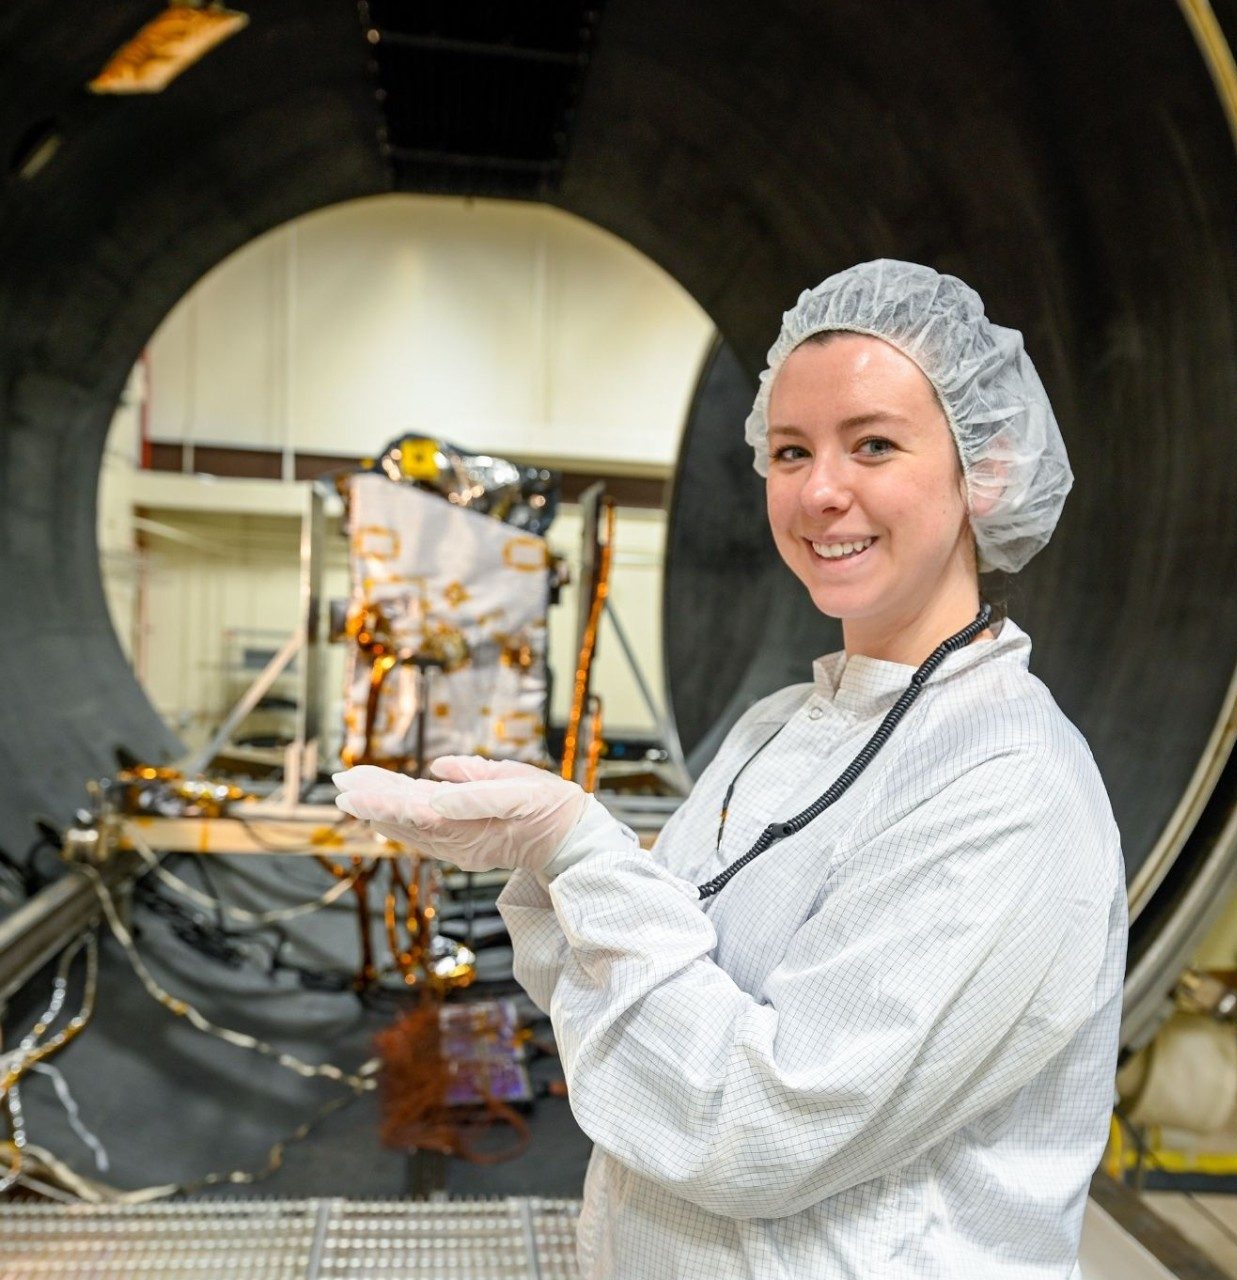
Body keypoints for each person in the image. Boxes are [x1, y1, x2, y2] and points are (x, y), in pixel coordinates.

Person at [334, 260, 1129, 1279]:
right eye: (789, 450)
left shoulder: (1008, 787)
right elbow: (643, 993)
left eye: (872, 444)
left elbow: (749, 1125)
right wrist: (553, 865)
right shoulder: (775, 728)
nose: (819, 490)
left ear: (988, 470)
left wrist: (575, 850)